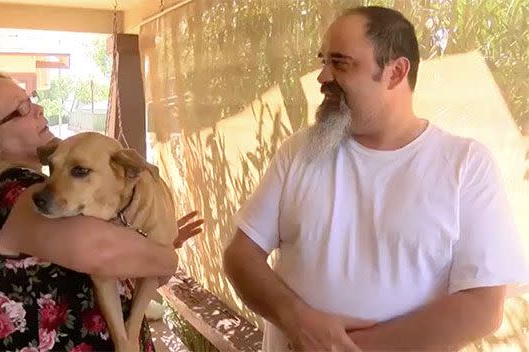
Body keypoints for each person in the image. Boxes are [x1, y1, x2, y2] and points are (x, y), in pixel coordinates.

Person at [223, 6, 529, 352]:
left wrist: (344, 348)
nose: (322, 76)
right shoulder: (299, 152)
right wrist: (297, 319)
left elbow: (482, 306)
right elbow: (240, 257)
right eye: (324, 61)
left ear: (396, 72)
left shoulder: (465, 165)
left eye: (340, 63)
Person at [0, 72, 204, 351]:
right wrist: (165, 255)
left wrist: (149, 242)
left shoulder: (9, 193)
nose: (38, 110)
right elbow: (103, 250)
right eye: (22, 109)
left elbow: (122, 269)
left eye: (32, 100)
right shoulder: (7, 191)